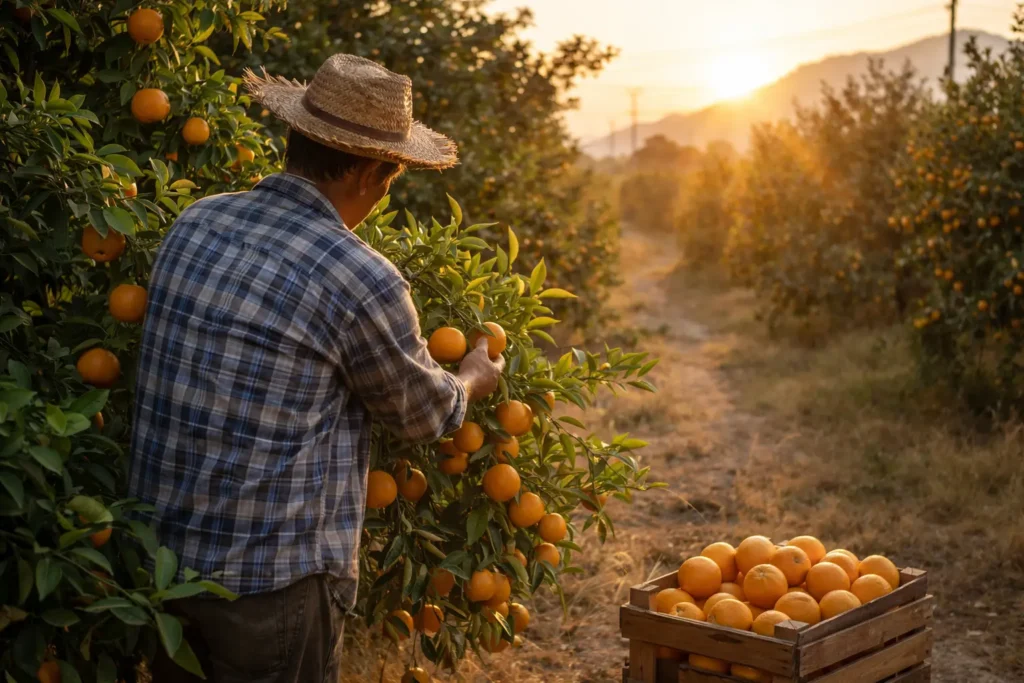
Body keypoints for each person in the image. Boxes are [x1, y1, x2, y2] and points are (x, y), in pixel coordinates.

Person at [129, 54, 504, 683]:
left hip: (160, 571)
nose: (386, 193)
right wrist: (472, 377)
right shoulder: (358, 276)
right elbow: (422, 415)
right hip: (268, 587)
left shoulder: (195, 222)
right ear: (365, 171)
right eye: (391, 178)